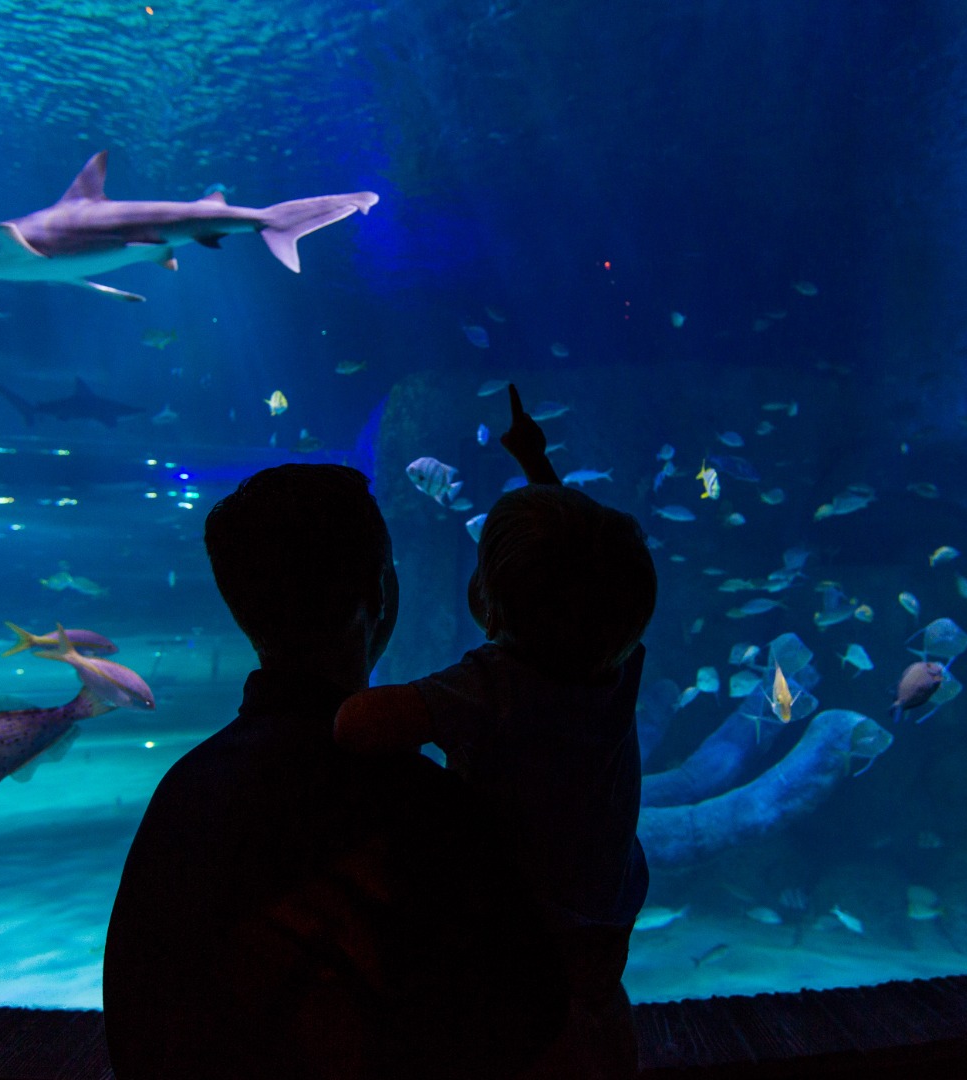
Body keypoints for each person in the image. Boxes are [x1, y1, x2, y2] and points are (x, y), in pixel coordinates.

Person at [104, 463, 567, 1080]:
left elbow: (135, 1022)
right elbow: (528, 1023)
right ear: (382, 594)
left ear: (242, 610)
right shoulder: (428, 810)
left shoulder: (184, 797)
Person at [334, 387, 657, 1079]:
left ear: (482, 600)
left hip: (514, 941)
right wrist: (538, 466)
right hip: (600, 925)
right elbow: (588, 577)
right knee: (595, 1031)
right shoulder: (619, 667)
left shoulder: (496, 683)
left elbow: (358, 725)